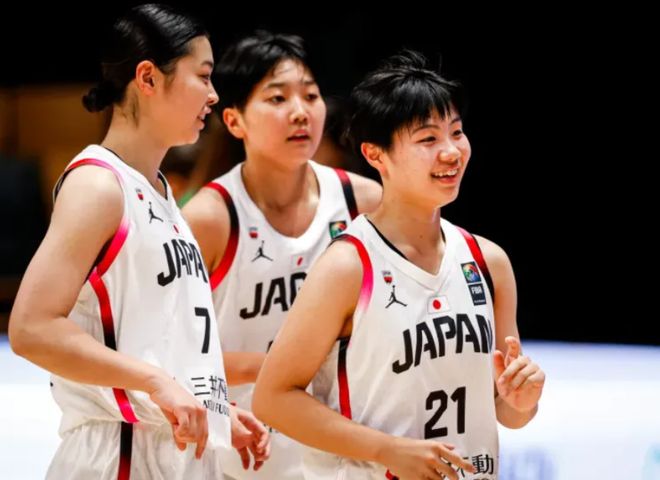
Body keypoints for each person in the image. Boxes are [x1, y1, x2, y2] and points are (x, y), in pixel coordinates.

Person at [253, 50, 546, 480]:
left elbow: (507, 412)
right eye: (428, 139)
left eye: (457, 132)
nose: (451, 152)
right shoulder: (348, 266)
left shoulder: (489, 262)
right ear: (376, 155)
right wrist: (388, 450)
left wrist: (523, 401)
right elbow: (273, 398)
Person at [8, 4, 268, 479]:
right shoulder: (99, 186)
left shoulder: (162, 194)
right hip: (118, 456)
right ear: (148, 78)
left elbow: (160, 342)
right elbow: (31, 328)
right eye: (203, 76)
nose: (213, 94)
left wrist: (214, 414)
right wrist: (154, 382)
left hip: (171, 453)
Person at [182, 31, 382, 479]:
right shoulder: (209, 219)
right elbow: (165, 355)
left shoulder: (365, 204)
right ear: (234, 121)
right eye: (277, 98)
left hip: (343, 458)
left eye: (310, 95)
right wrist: (284, 371)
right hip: (239, 457)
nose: (300, 111)